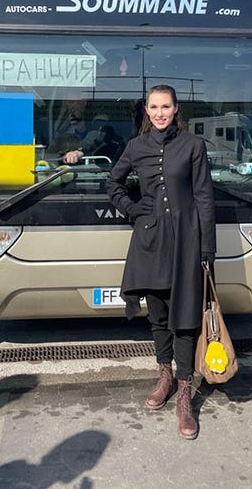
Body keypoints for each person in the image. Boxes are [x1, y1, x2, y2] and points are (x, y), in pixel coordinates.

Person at [105, 84, 216, 440]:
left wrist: (206, 250)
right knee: (159, 316)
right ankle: (164, 375)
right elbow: (113, 183)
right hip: (150, 242)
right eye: (153, 107)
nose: (159, 112)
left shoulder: (193, 146)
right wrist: (134, 210)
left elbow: (204, 199)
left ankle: (185, 394)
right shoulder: (136, 147)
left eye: (165, 106)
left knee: (185, 318)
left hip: (186, 241)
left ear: (175, 108)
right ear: (147, 111)